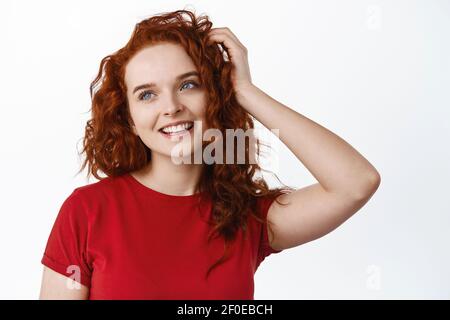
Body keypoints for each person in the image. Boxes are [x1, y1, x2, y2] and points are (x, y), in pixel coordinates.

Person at [39, 9, 380, 300]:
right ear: (127, 116)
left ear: (215, 95)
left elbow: (356, 183)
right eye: (147, 95)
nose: (171, 107)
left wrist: (246, 91)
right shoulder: (86, 212)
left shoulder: (247, 217)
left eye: (189, 84)